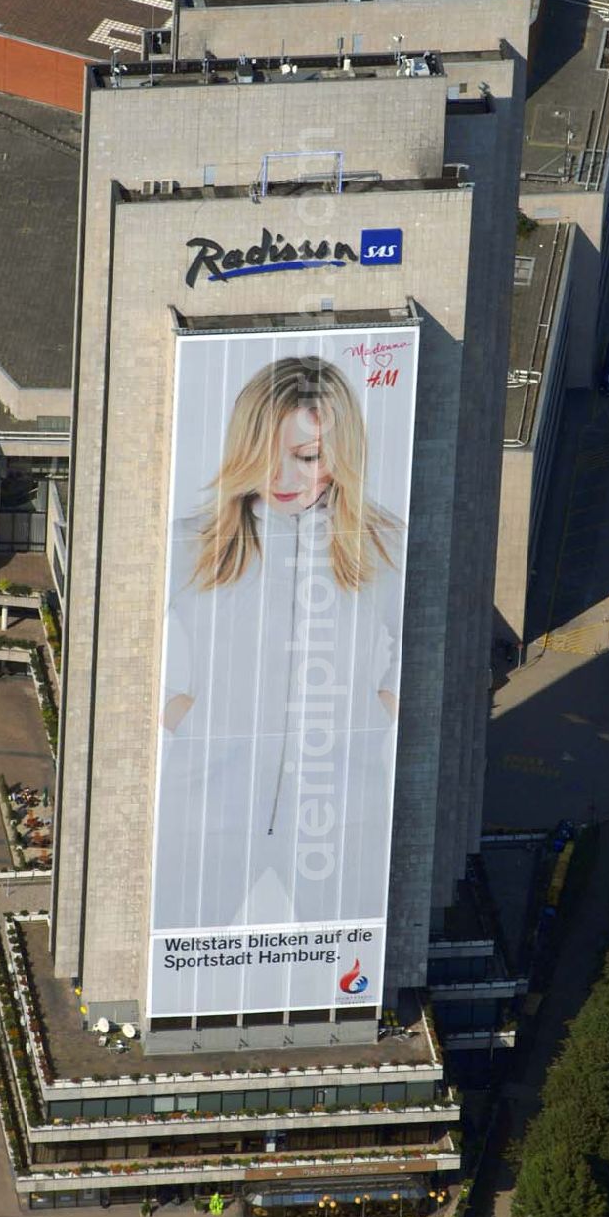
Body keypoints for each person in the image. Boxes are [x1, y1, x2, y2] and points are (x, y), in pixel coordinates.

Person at [154, 352, 407, 933]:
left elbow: (423, 657)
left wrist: (374, 715)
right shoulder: (191, 543)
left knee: (341, 958)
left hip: (336, 814)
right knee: (185, 951)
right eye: (266, 456)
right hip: (211, 805)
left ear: (341, 454)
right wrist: (187, 716)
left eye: (307, 457)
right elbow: (124, 653)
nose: (283, 479)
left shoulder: (386, 545)